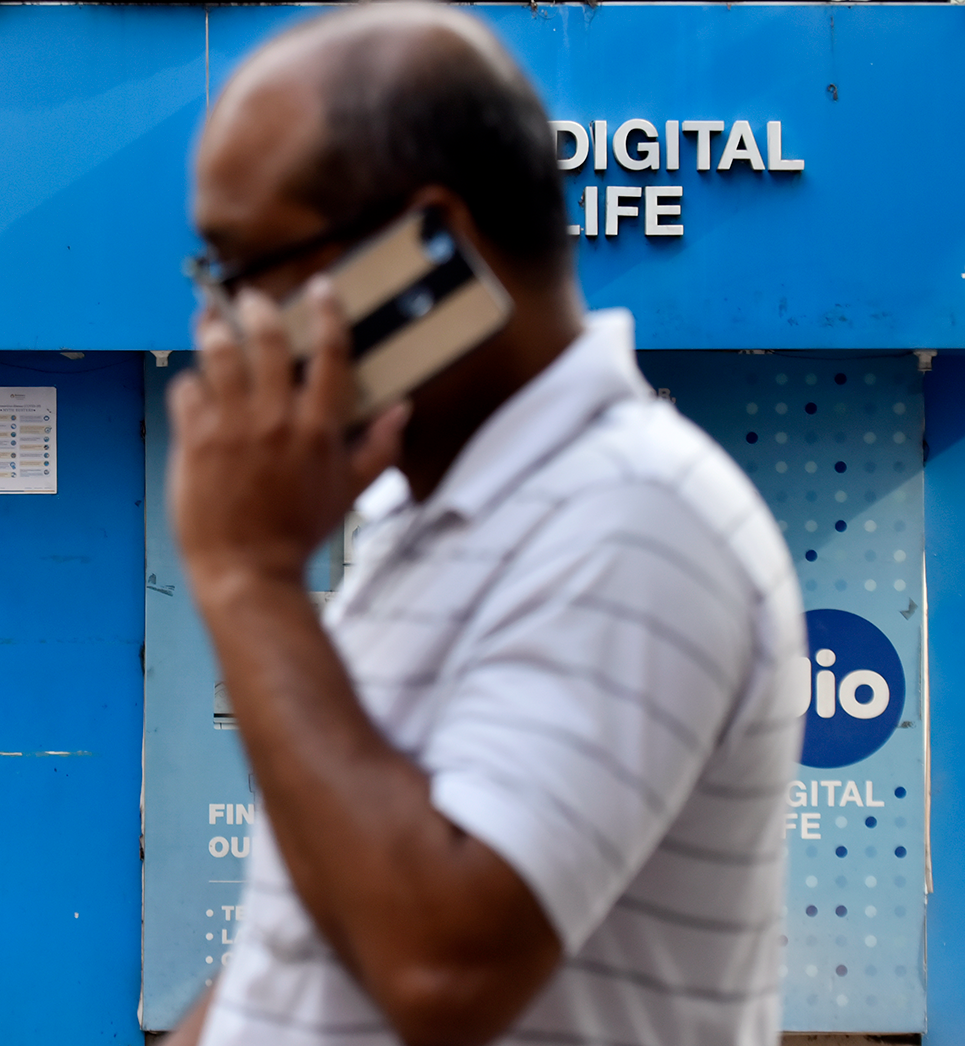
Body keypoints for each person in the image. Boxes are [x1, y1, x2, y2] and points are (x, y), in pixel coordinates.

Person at [163, 5, 803, 1046]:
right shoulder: (420, 521)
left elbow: (442, 967)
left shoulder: (635, 520)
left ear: (430, 252)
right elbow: (306, 952)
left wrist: (247, 577)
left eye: (246, 266)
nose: (220, 321)